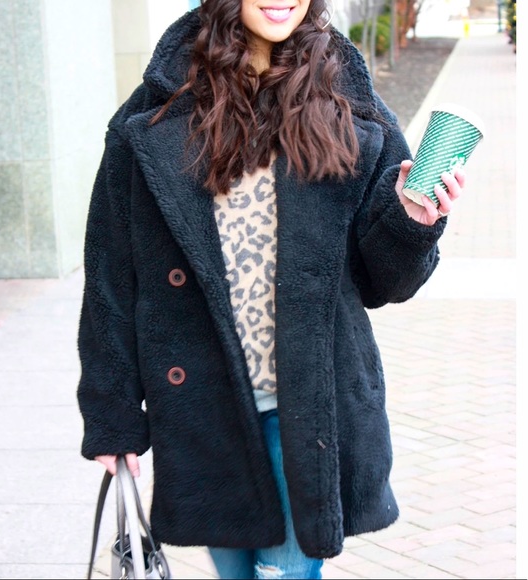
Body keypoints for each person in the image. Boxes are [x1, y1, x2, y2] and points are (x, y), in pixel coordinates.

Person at [76, 1, 464, 578]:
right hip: (203, 411)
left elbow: (384, 283)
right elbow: (111, 274)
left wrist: (411, 219)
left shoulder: (348, 102)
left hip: (306, 410)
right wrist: (112, 416)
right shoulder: (158, 109)